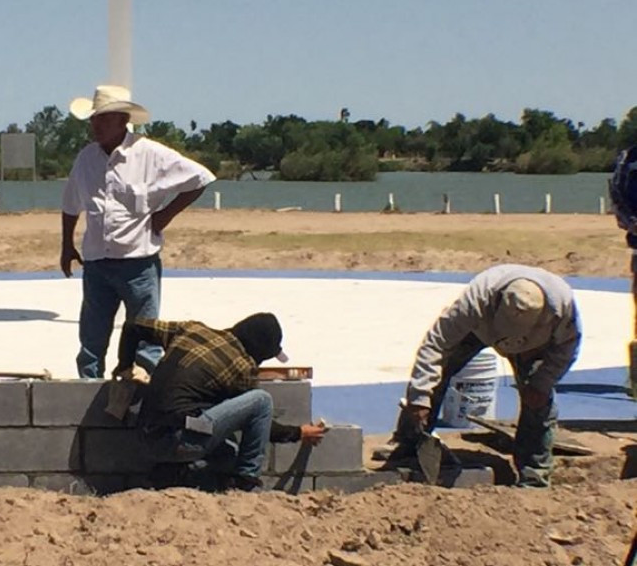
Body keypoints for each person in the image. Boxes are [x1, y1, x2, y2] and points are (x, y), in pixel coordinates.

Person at [376, 264, 581, 488]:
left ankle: (535, 475)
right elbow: (435, 345)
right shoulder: (477, 299)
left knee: (539, 398)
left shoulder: (563, 309)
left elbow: (567, 349)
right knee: (437, 373)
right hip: (480, 328)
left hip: (533, 344)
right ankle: (409, 442)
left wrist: (543, 382)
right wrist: (420, 397)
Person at [60, 85, 215, 379]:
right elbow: (70, 204)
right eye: (94, 119)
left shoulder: (150, 154)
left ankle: (146, 398)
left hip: (138, 263)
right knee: (91, 340)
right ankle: (87, 393)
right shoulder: (86, 159)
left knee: (146, 340)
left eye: (103, 119)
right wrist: (66, 245)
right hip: (96, 263)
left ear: (122, 120)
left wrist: (165, 215)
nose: (96, 125)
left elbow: (201, 177)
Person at [115, 312, 328, 491]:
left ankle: (170, 474)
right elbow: (260, 424)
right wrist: (299, 433)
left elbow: (134, 325)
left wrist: (125, 365)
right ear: (259, 350)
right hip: (180, 440)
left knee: (228, 454)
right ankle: (246, 479)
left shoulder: (192, 330)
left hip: (143, 435)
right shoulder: (242, 366)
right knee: (261, 401)